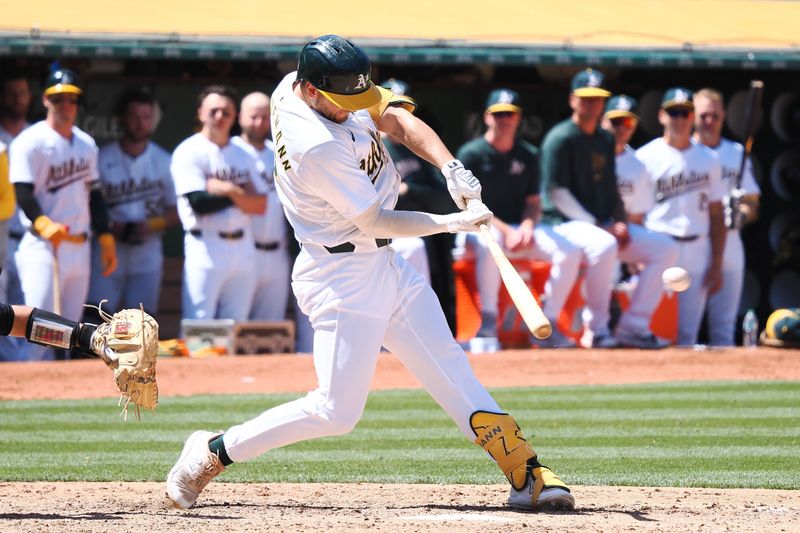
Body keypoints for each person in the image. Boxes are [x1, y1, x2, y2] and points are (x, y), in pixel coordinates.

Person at [166, 34, 574, 513]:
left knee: (450, 364)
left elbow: (393, 116)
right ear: (311, 91)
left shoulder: (304, 83)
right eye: (342, 102)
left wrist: (450, 167)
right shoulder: (313, 143)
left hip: (382, 263)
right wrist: (449, 222)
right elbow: (376, 221)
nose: (351, 108)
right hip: (340, 275)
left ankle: (525, 470)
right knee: (335, 412)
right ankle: (210, 452)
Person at [540, 70, 676, 349]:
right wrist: (600, 225)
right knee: (603, 244)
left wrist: (622, 222)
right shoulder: (561, 137)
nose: (592, 104)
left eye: (598, 98)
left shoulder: (604, 138)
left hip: (600, 224)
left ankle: (634, 327)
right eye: (586, 98)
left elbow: (612, 187)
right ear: (572, 100)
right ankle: (598, 329)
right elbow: (558, 193)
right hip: (562, 225)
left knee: (665, 248)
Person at [456, 88, 581, 349]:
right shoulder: (472, 153)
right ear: (488, 117)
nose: (505, 120)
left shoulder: (528, 154)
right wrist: (506, 230)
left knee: (569, 252)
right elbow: (468, 205)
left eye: (509, 114)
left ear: (518, 118)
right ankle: (488, 320)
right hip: (475, 227)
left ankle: (548, 320)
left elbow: (534, 203)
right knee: (490, 242)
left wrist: (526, 225)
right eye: (499, 114)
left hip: (517, 227)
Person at [9, 68, 118, 361]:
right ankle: (26, 390)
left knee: (71, 334)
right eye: (59, 98)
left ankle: (60, 394)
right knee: (38, 329)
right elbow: (23, 191)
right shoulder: (29, 141)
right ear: (46, 100)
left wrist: (105, 236)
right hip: (43, 245)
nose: (66, 104)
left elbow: (94, 194)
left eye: (71, 98)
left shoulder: (85, 143)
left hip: (79, 246)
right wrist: (42, 222)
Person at [636, 88, 726, 346]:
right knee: (653, 328)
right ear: (662, 116)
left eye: (685, 112)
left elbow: (716, 214)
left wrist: (717, 262)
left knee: (687, 333)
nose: (680, 118)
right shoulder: (645, 157)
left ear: (692, 117)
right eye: (674, 112)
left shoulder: (709, 159)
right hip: (660, 244)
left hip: (697, 246)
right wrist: (637, 256)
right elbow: (635, 213)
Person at [171, 85, 267, 321]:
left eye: (226, 112)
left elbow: (260, 204)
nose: (219, 117)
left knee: (236, 324)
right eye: (213, 111)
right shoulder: (189, 150)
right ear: (201, 113)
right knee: (199, 322)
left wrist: (228, 190)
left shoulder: (242, 153)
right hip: (205, 245)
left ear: (235, 116)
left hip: (243, 247)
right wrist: (240, 196)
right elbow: (199, 202)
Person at [87, 89, 178, 315]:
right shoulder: (102, 157)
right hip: (109, 246)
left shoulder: (164, 161)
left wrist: (151, 225)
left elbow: (177, 210)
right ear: (123, 119)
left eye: (146, 117)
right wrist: (110, 226)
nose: (140, 123)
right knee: (98, 315)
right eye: (135, 117)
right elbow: (87, 204)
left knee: (143, 320)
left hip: (147, 249)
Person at [378, 78, 458, 332]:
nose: (398, 113)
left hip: (420, 232)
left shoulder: (419, 148)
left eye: (403, 106)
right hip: (379, 235)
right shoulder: (369, 146)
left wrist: (409, 190)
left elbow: (443, 197)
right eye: (392, 106)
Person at [600, 95, 679, 340]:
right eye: (616, 121)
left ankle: (634, 325)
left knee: (665, 249)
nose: (622, 128)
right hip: (588, 232)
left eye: (628, 122)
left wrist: (634, 257)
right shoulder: (586, 154)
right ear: (603, 121)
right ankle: (595, 334)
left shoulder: (637, 164)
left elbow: (636, 215)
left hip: (621, 235)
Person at [693, 88, 761, 346]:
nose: (709, 122)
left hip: (730, 242)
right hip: (695, 240)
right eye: (703, 116)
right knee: (681, 328)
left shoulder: (735, 153)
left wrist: (741, 214)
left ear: (723, 117)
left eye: (715, 116)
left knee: (724, 327)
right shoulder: (685, 152)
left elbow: (753, 202)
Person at [231, 91, 292, 321]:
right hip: (243, 249)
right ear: (240, 117)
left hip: (277, 251)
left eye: (265, 117)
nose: (260, 122)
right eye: (253, 116)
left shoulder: (278, 153)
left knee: (270, 325)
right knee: (237, 322)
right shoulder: (232, 151)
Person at [0, 71, 31, 361]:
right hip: (2, 234)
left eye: (22, 93)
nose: (17, 99)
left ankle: (28, 367)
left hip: (31, 235)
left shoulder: (35, 135)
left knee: (28, 303)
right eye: (11, 93)